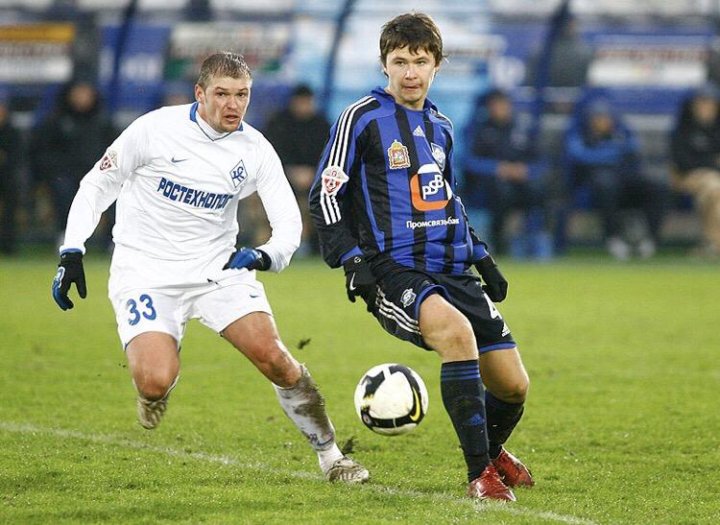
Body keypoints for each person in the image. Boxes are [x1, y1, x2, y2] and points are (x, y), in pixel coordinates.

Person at [50, 52, 368, 484]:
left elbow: (288, 223)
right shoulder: (153, 130)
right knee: (154, 380)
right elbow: (97, 185)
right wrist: (72, 250)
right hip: (145, 273)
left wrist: (264, 255)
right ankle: (154, 389)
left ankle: (332, 458)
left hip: (218, 270)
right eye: (222, 94)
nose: (233, 105)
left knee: (276, 359)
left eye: (242, 95)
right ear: (200, 93)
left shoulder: (255, 149)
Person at [309, 13, 532, 501]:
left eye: (420, 62)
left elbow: (447, 197)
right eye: (400, 62)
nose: (410, 72)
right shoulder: (361, 118)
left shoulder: (441, 126)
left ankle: (492, 450)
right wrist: (353, 262)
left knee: (513, 386)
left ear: (437, 66)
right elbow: (325, 196)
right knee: (456, 335)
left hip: (452, 267)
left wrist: (482, 258)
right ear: (384, 65)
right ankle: (480, 475)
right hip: (395, 269)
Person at [564, 96, 668, 259]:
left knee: (658, 186)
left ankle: (650, 240)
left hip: (624, 182)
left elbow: (634, 148)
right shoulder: (580, 134)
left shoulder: (622, 132)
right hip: (595, 186)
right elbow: (579, 155)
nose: (603, 121)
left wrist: (607, 153)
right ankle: (613, 239)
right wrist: (613, 153)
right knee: (606, 185)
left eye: (606, 117)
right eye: (598, 118)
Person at [463, 88, 552, 259]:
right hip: (489, 183)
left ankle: (534, 237)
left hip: (522, 181)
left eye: (503, 105)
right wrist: (496, 168)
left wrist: (526, 170)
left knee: (537, 189)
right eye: (495, 105)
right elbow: (469, 161)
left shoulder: (523, 129)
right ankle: (499, 239)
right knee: (502, 191)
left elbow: (542, 161)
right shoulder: (479, 130)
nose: (500, 109)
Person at [30, 80, 117, 245]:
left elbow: (116, 153)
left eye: (86, 93)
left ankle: (113, 239)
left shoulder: (102, 123)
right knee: (63, 189)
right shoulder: (55, 121)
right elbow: (42, 152)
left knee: (118, 191)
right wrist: (59, 168)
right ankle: (67, 235)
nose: (82, 97)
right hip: (65, 174)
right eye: (79, 92)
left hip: (98, 174)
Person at [264, 84, 331, 256]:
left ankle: (309, 244)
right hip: (279, 178)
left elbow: (329, 155)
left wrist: (314, 173)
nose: (304, 106)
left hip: (315, 180)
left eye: (307, 102)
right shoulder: (278, 123)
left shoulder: (322, 125)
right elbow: (269, 153)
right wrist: (290, 171)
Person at [670, 86, 720, 258]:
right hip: (687, 178)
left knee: (713, 192)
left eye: (710, 103)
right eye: (702, 103)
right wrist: (712, 162)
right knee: (714, 186)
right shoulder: (682, 128)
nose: (705, 107)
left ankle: (711, 244)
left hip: (712, 181)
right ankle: (714, 243)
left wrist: (707, 162)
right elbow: (683, 163)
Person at [0, 87, 21, 255]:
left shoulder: (11, 132)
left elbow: (17, 158)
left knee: (11, 193)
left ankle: (7, 244)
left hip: (6, 176)